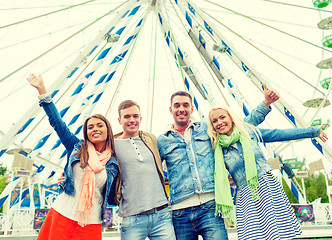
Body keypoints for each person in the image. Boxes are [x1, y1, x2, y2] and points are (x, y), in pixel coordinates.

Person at [157, 85, 279, 239]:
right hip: (180, 211)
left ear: (192, 109)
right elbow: (149, 167)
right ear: (170, 110)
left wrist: (266, 103)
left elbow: (240, 125)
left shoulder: (206, 129)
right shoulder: (162, 140)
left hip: (210, 207)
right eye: (177, 105)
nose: (181, 109)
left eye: (185, 105)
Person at [207, 105, 328, 240]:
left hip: (266, 186)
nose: (219, 122)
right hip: (246, 194)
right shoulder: (217, 148)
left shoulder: (248, 132)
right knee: (252, 235)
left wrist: (313, 131)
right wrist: (229, 177)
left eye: (222, 117)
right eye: (215, 121)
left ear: (231, 117)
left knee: (278, 232)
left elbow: (280, 134)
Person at [27, 74, 119, 240]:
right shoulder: (77, 147)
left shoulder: (114, 161)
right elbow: (57, 123)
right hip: (63, 212)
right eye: (90, 127)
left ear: (108, 130)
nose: (95, 129)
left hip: (91, 221)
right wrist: (42, 90)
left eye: (100, 125)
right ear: (86, 132)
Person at [113, 99, 175, 240]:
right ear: (119, 120)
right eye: (127, 116)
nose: (132, 120)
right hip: (132, 217)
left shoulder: (150, 139)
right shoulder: (112, 147)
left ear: (140, 118)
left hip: (161, 215)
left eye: (135, 116)